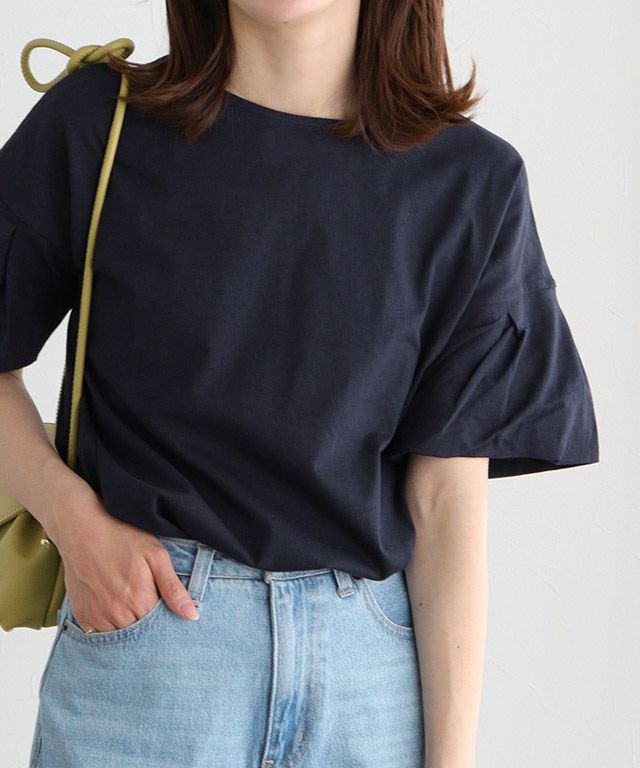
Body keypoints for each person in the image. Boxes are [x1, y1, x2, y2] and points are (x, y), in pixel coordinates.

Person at [0, 1, 599, 766]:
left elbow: (445, 500)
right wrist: (75, 523)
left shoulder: (471, 181)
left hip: (369, 681)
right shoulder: (100, 122)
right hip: (155, 652)